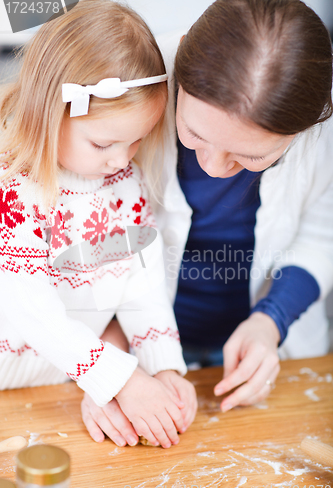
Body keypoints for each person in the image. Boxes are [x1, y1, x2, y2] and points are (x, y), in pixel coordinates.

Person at [81, 0, 333, 443]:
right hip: (128, 341)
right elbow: (88, 245)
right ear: (179, 71)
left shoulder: (321, 131)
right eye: (194, 134)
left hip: (271, 350)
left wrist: (271, 320)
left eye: (250, 156)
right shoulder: (124, 93)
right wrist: (109, 357)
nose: (215, 167)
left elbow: (323, 234)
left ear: (308, 127)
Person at [0, 0, 197, 449]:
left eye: (136, 141)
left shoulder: (122, 177)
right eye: (104, 142)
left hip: (75, 370)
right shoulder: (15, 188)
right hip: (13, 379)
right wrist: (120, 379)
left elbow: (140, 278)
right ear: (50, 112)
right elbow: (33, 313)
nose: (120, 159)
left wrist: (162, 365)